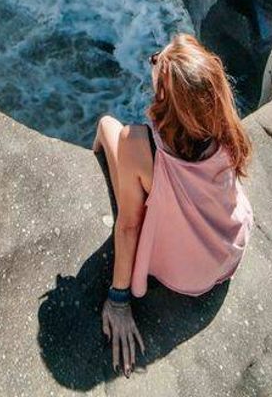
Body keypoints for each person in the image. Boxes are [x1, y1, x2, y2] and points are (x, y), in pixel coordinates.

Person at [92, 33, 254, 377]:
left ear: (164, 97)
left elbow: (129, 225)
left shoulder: (139, 142)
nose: (153, 61)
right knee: (116, 137)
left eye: (157, 63)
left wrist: (119, 301)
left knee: (107, 125)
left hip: (185, 274)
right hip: (227, 248)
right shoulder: (224, 123)